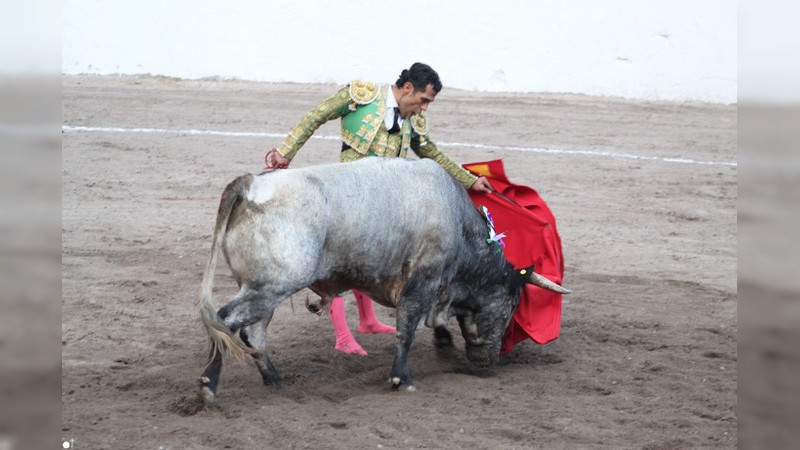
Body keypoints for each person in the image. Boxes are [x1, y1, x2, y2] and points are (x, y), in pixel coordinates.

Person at [266, 62, 494, 355]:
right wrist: (285, 152)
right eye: (424, 100)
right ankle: (343, 336)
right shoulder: (360, 97)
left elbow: (431, 153)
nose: (424, 108)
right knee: (338, 261)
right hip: (349, 197)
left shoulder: (413, 121)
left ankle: (368, 321)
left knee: (374, 260)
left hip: (387, 206)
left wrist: (470, 180)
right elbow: (316, 116)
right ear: (408, 88)